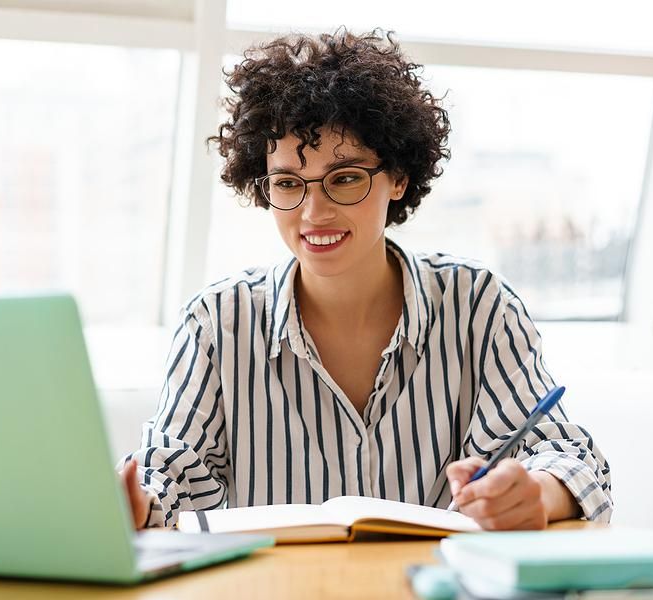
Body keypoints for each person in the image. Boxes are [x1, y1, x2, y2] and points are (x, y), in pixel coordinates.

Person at [118, 29, 611, 531]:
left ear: (398, 177)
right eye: (287, 183)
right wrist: (133, 502)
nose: (314, 212)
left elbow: (567, 458)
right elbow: (168, 475)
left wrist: (537, 493)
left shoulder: (478, 306)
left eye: (345, 178)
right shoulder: (217, 323)